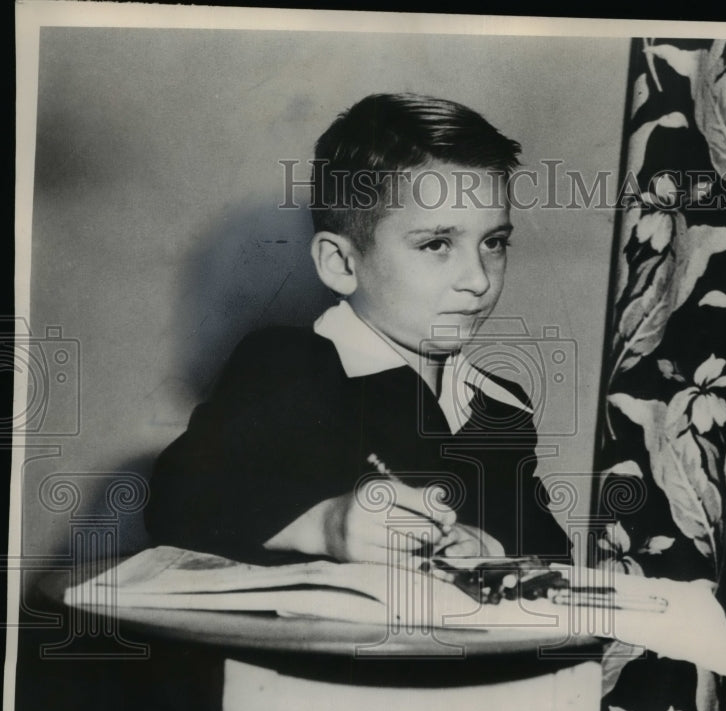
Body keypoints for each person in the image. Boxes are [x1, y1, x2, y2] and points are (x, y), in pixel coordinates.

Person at [144, 93, 572, 567]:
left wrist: (489, 549)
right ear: (341, 263)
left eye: (493, 242)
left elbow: (553, 552)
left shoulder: (499, 407)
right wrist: (324, 525)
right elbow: (176, 496)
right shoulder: (288, 365)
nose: (478, 278)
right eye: (436, 244)